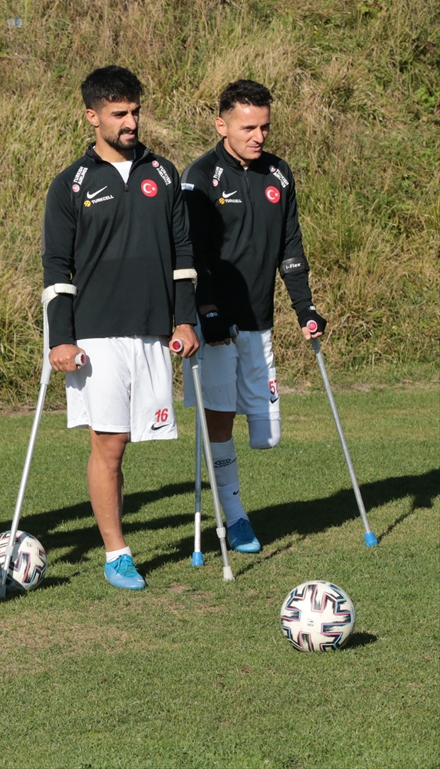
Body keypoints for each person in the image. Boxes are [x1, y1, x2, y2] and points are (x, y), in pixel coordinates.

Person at [41, 65, 200, 590]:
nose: (131, 121)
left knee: (134, 439)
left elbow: (183, 256)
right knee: (109, 445)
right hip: (96, 335)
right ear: (92, 117)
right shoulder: (71, 184)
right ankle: (117, 554)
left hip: (154, 331)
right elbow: (56, 270)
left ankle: (118, 547)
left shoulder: (166, 173)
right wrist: (60, 338)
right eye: (119, 114)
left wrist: (185, 318)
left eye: (135, 111)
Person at [181, 79, 327, 553]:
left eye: (264, 126)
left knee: (267, 436)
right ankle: (236, 517)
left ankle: (236, 505)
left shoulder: (279, 175)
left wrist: (304, 306)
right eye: (248, 127)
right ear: (222, 124)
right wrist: (207, 310)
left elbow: (291, 247)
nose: (258, 136)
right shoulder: (201, 176)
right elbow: (192, 253)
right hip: (217, 325)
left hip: (260, 321)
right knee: (220, 419)